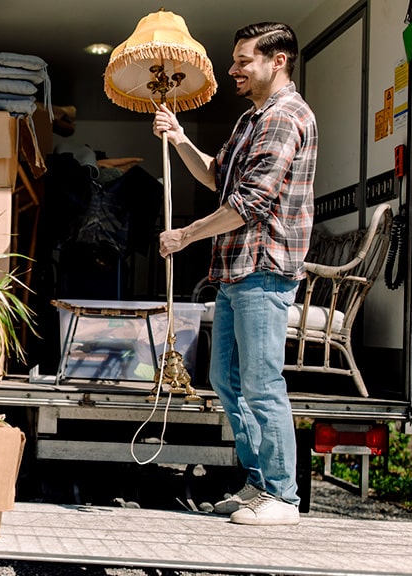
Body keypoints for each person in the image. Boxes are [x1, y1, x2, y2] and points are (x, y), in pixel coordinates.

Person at [153, 22, 316, 526]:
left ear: (278, 60)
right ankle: (258, 484)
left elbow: (250, 203)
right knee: (227, 379)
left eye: (244, 61)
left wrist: (185, 235)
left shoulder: (286, 118)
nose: (233, 70)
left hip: (263, 269)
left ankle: (283, 497)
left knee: (262, 381)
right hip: (233, 271)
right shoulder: (251, 120)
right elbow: (216, 176)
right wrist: (180, 139)